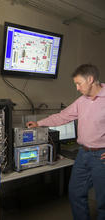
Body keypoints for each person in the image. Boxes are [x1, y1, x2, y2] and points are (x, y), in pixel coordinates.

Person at [26, 64, 105, 220]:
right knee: (75, 193)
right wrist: (40, 123)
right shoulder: (81, 101)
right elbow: (63, 116)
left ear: (90, 80)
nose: (77, 88)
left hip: (101, 156)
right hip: (83, 154)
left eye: (79, 83)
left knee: (103, 202)